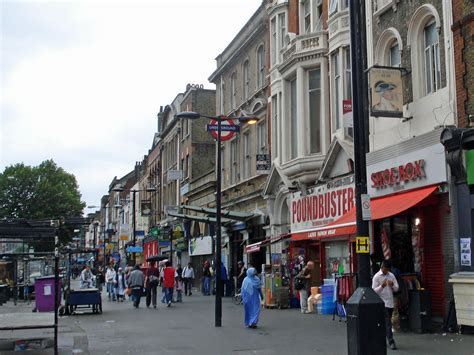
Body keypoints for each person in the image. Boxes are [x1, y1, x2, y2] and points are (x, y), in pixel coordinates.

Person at [372, 259, 400, 350]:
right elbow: (373, 291)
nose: (387, 271)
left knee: (384, 323)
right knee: (388, 322)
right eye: (385, 269)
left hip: (390, 302)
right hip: (382, 303)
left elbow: (397, 288)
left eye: (388, 270)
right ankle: (391, 341)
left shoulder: (391, 275)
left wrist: (392, 285)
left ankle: (380, 339)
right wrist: (382, 286)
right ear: (382, 267)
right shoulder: (376, 277)